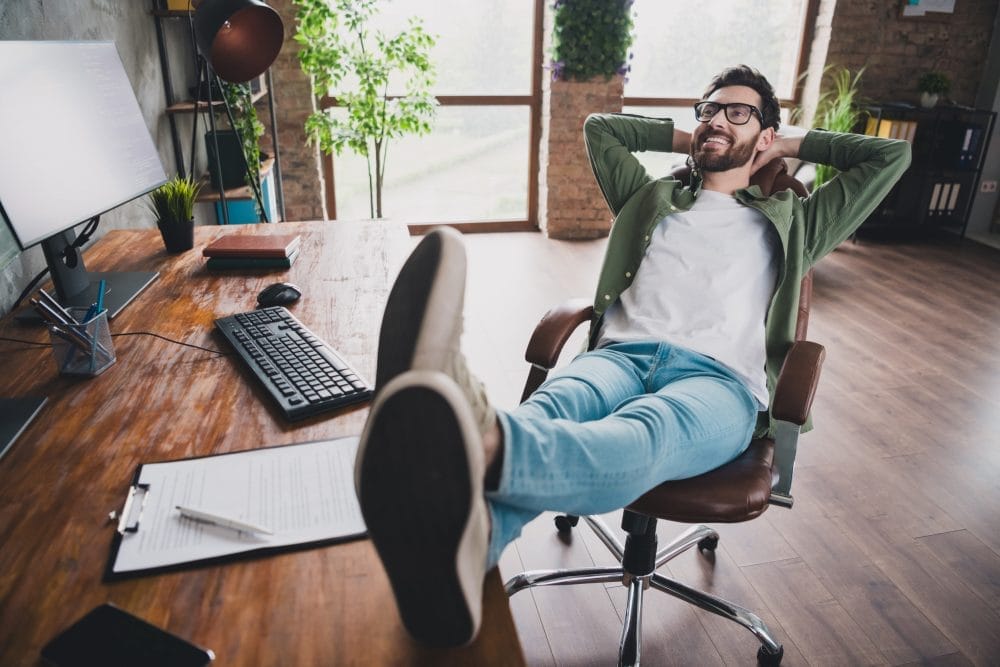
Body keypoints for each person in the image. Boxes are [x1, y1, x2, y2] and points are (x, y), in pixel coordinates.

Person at [354, 65, 911, 648]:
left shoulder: (798, 220)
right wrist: (699, 138)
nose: (717, 117)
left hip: (718, 383)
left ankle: (481, 438)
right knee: (556, 407)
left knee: (646, 433)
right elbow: (601, 129)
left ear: (768, 136)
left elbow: (889, 157)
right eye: (708, 109)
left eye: (737, 112)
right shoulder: (650, 196)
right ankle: (466, 556)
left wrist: (786, 142)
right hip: (621, 355)